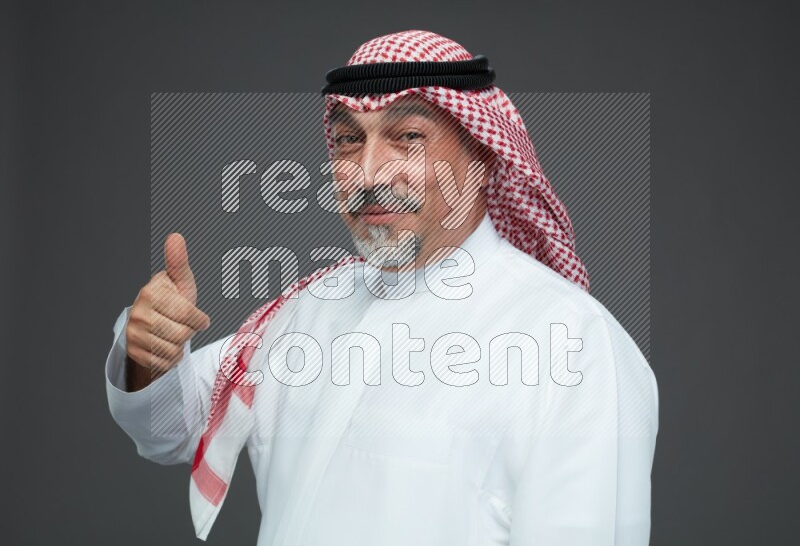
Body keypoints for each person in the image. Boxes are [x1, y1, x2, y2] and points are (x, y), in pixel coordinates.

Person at [106, 30, 658, 545]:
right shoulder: (302, 312)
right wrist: (148, 353)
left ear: (483, 157)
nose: (369, 172)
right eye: (348, 141)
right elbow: (167, 429)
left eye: (407, 137)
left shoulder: (572, 343)